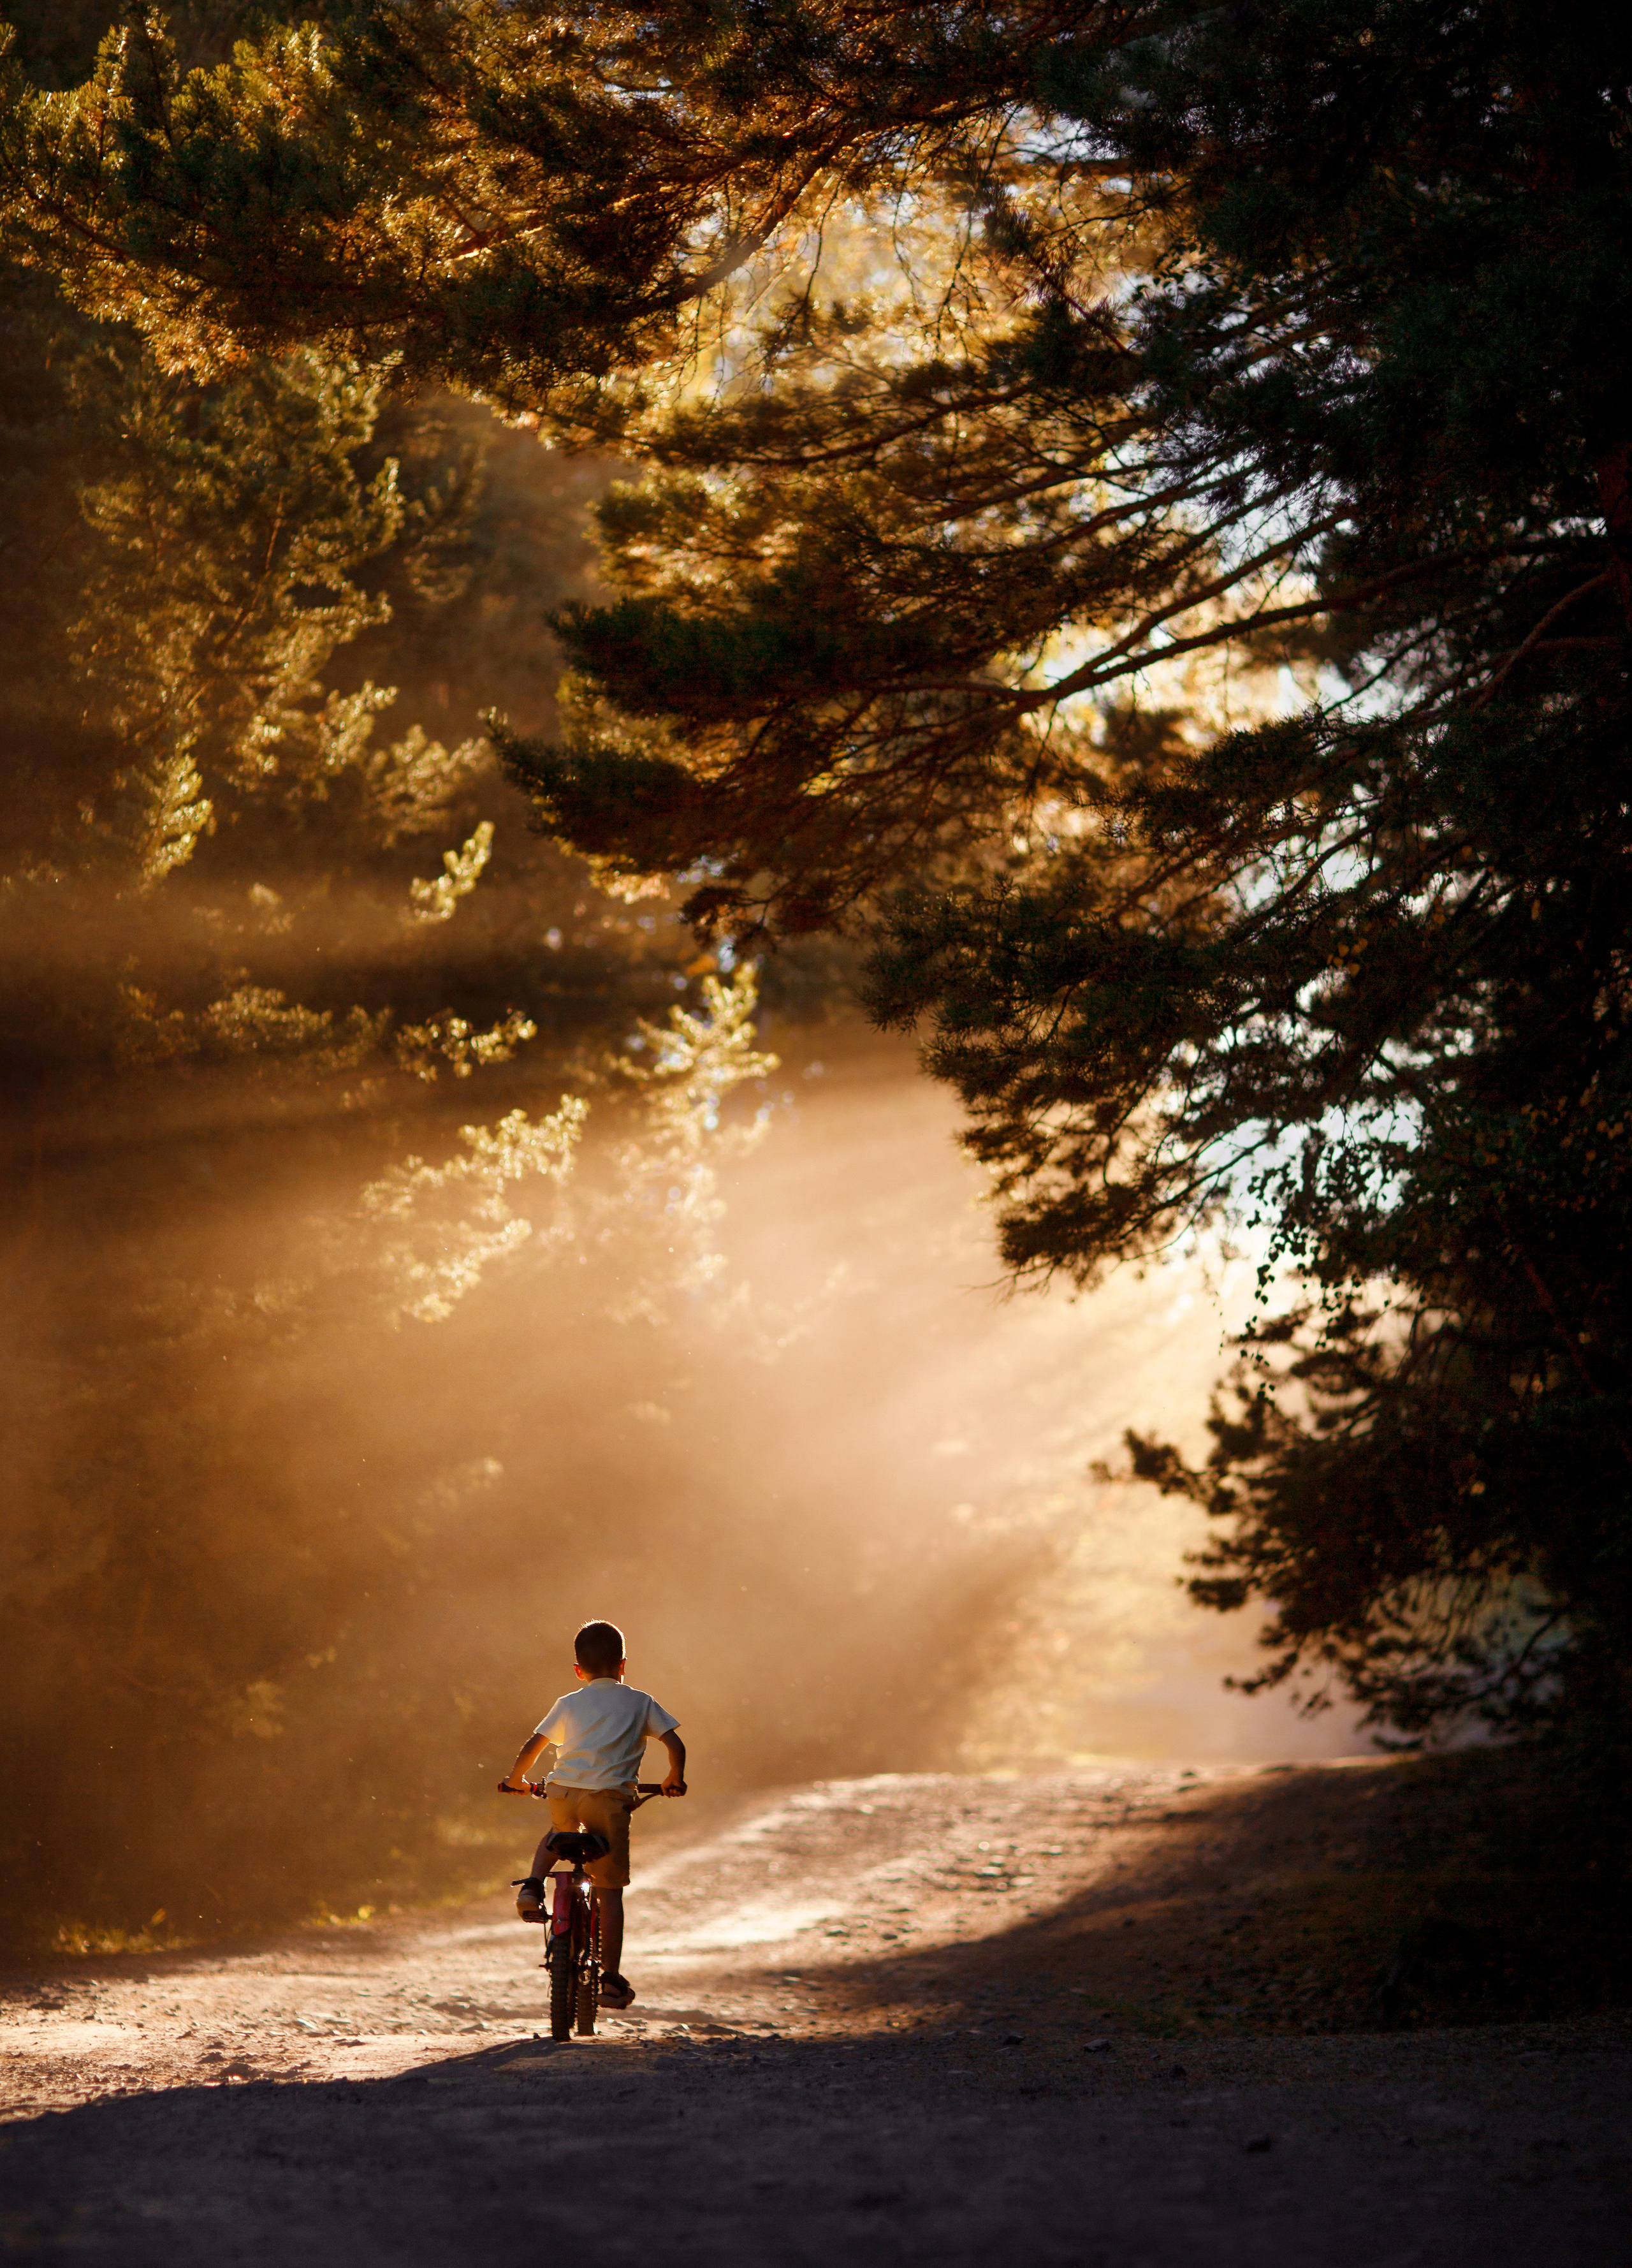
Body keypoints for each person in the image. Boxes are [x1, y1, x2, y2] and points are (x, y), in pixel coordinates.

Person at [499, 1618, 685, 2010]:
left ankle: (533, 1884)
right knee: (610, 1890)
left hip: (563, 1791)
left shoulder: (569, 1703)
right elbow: (675, 1744)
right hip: (608, 1799)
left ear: (578, 1670)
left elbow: (535, 1744)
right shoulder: (640, 1702)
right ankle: (612, 1981)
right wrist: (673, 1778)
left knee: (556, 1833)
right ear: (622, 1666)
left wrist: (518, 1780)